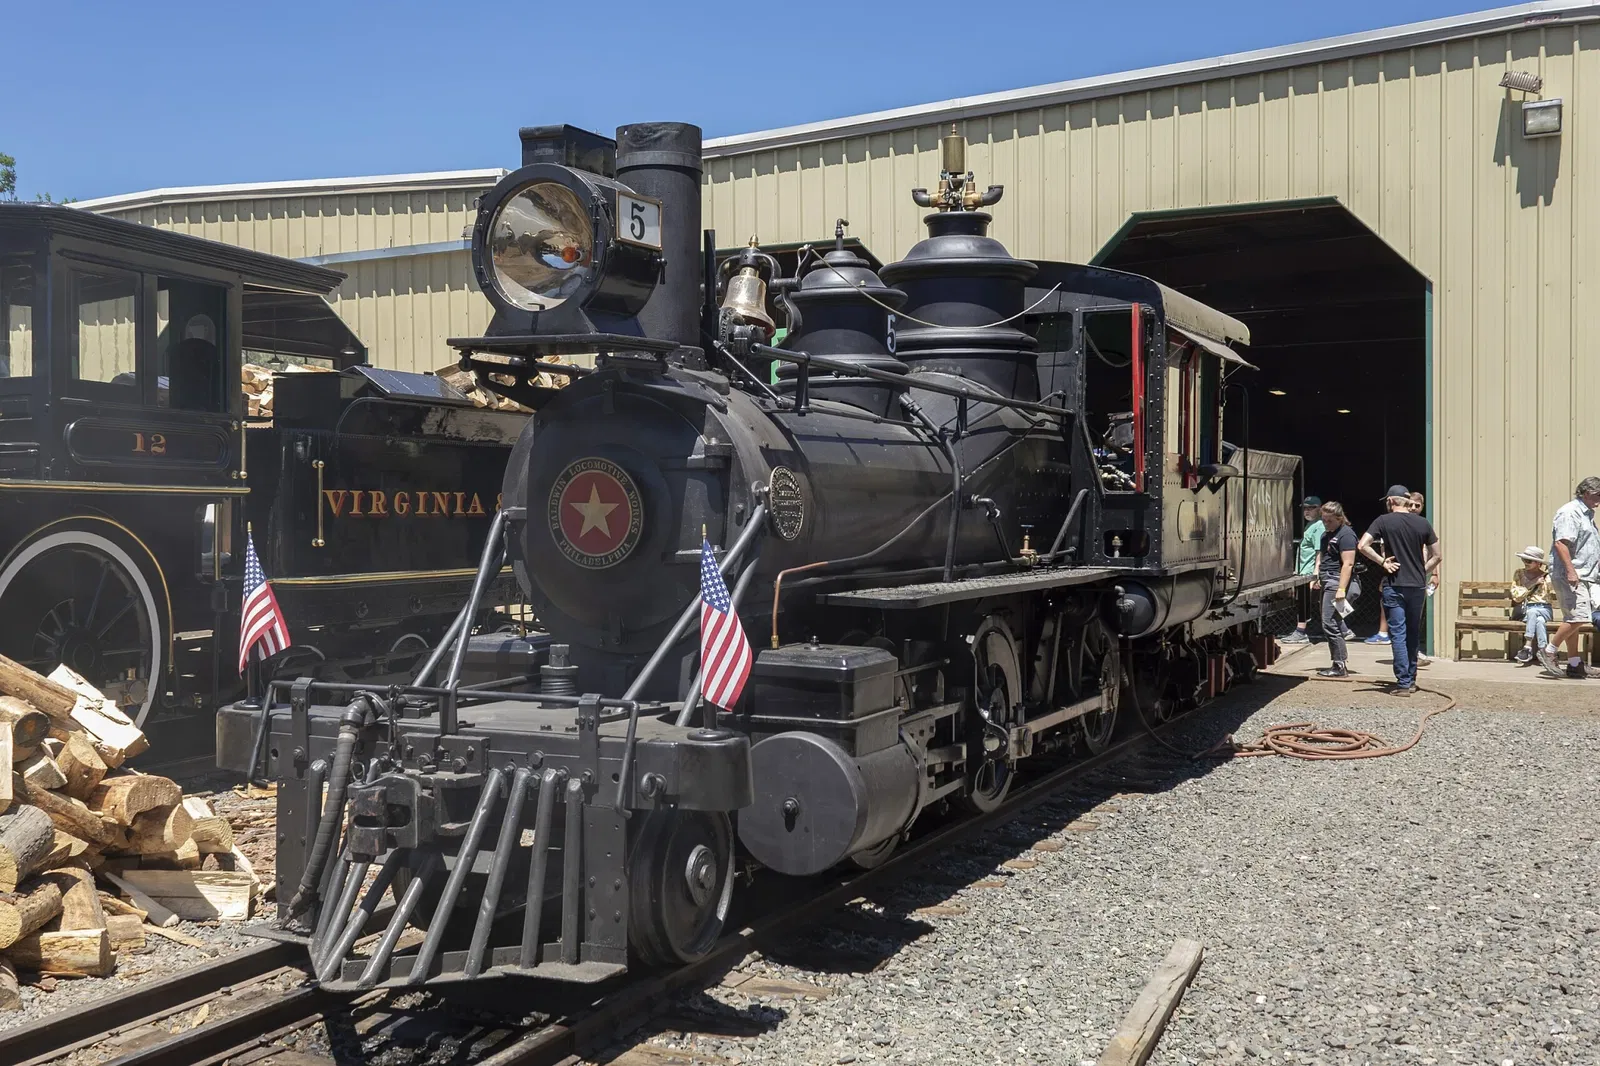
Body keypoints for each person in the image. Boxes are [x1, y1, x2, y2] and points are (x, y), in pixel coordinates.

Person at [1358, 485, 1441, 695]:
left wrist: (1383, 562)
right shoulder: (1423, 523)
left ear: (1390, 502)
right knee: (1413, 633)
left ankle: (1403, 683)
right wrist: (1423, 571)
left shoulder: (1383, 521)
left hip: (1394, 584)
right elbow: (1437, 555)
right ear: (1406, 501)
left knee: (1398, 633)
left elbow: (1362, 545)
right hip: (1417, 585)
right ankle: (1411, 679)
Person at [1536, 477, 1600, 679]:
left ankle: (1574, 663)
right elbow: (1561, 544)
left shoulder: (1587, 514)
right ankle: (1549, 651)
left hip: (1582, 574)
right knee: (1580, 617)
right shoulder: (1570, 512)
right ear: (1587, 493)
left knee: (1574, 619)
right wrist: (1571, 571)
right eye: (1599, 495)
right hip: (1571, 574)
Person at [1314, 502, 1359, 678]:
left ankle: (1339, 664)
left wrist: (1341, 589)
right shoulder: (1327, 534)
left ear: (1339, 519)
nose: (1326, 523)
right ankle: (1344, 636)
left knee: (1329, 622)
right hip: (1327, 579)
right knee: (1331, 620)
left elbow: (1348, 563)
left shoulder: (1346, 535)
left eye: (1329, 520)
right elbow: (1323, 556)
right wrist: (1317, 576)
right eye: (1323, 520)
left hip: (1336, 580)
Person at [1281, 496, 1324, 645]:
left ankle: (1301, 632)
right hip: (1303, 571)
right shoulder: (1310, 525)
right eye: (1305, 508)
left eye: (1311, 508)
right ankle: (1301, 631)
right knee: (1302, 601)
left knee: (1308, 602)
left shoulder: (1319, 526)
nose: (1307, 511)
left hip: (1309, 572)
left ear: (1319, 508)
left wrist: (1316, 573)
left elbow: (1320, 551)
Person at [1510, 546, 1554, 666]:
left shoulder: (1547, 576)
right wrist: (1533, 583)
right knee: (1538, 620)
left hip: (1545, 608)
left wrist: (1551, 575)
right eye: (1524, 560)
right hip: (1526, 609)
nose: (1525, 563)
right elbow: (1516, 596)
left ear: (1538, 563)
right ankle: (1544, 651)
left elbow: (1554, 590)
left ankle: (1527, 647)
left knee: (1534, 613)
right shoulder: (1519, 574)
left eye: (1528, 561)